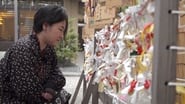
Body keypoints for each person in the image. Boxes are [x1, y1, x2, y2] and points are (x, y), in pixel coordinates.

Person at [0, 5, 71, 104]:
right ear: (45, 26)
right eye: (60, 29)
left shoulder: (49, 49)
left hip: (39, 98)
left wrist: (49, 89)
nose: (62, 36)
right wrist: (49, 92)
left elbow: (59, 77)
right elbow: (27, 92)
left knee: (62, 96)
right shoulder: (22, 50)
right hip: (13, 100)